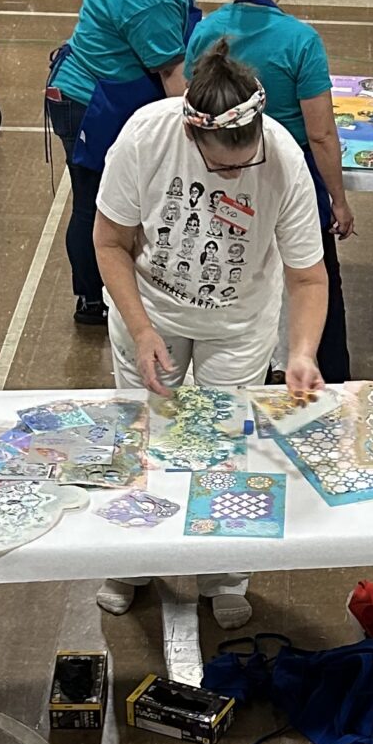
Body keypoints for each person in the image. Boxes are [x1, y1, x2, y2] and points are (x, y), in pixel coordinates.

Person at [92, 39, 327, 630]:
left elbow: (307, 276)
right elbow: (109, 242)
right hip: (151, 309)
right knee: (143, 434)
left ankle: (223, 574)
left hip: (238, 321)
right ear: (192, 133)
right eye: (221, 168)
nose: (234, 175)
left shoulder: (284, 158)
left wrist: (301, 351)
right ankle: (132, 561)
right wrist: (141, 328)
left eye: (245, 163)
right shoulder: (147, 135)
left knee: (226, 445)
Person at [47, 0, 223, 326]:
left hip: (108, 93)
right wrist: (207, 136)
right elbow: (174, 81)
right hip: (88, 102)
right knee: (95, 204)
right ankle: (92, 299)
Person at [190, 0, 355, 381]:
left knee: (237, 276)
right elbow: (321, 135)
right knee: (315, 277)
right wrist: (338, 201)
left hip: (221, 177)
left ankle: (245, 377)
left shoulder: (205, 33)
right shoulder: (301, 40)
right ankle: (326, 378)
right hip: (289, 178)